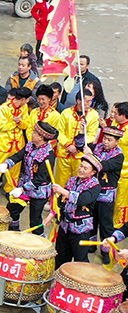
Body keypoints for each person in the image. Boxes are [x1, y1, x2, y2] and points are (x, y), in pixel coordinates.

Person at [45, 154, 101, 266]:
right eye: (81, 166)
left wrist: (62, 190)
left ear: (93, 172)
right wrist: (51, 215)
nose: (81, 170)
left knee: (80, 260)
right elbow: (62, 201)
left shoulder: (95, 186)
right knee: (60, 257)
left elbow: (82, 200)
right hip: (65, 226)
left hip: (80, 230)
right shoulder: (72, 180)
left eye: (85, 168)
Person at [1, 121, 58, 232]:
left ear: (41, 137)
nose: (32, 134)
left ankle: (38, 240)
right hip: (25, 185)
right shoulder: (30, 145)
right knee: (12, 209)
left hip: (38, 191)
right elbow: (19, 155)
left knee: (35, 220)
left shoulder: (48, 155)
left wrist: (22, 189)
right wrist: (7, 164)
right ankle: (13, 230)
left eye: (35, 132)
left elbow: (40, 179)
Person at [89, 127, 125, 256]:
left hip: (106, 195)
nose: (105, 142)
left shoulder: (118, 156)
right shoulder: (98, 148)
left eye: (109, 140)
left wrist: (91, 156)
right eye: (104, 138)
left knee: (105, 224)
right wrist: (82, 131)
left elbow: (104, 166)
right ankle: (91, 246)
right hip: (92, 191)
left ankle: (106, 253)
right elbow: (81, 145)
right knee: (91, 220)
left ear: (117, 142)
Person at [55, 89, 99, 188]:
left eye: (91, 101)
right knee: (61, 182)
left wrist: (77, 146)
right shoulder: (66, 113)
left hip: (80, 156)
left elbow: (91, 135)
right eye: (87, 101)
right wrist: (68, 145)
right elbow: (60, 132)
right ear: (79, 101)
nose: (90, 104)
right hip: (64, 153)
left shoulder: (93, 115)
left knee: (78, 183)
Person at [32, 0, 50, 65]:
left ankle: (42, 58)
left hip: (49, 27)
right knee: (39, 43)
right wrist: (38, 18)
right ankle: (37, 58)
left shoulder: (54, 4)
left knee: (46, 43)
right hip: (40, 26)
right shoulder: (40, 3)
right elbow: (33, 11)